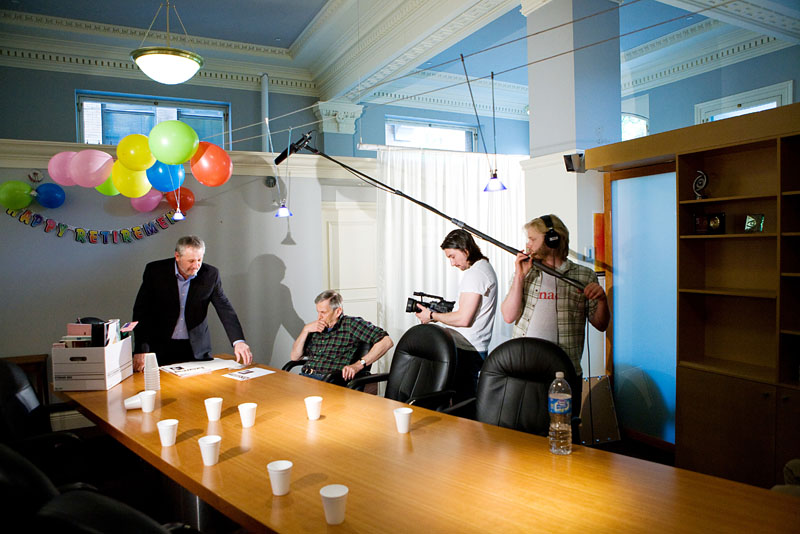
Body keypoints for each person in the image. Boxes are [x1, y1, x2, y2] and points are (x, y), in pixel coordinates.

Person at [501, 214, 609, 414]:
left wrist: (602, 300)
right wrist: (519, 276)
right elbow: (508, 316)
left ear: (553, 239)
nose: (527, 244)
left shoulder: (583, 275)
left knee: (563, 426)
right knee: (522, 429)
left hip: (564, 371)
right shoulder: (526, 272)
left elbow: (600, 324)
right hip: (524, 367)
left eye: (532, 239)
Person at [132, 235, 253, 371]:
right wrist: (140, 349)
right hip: (161, 347)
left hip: (196, 349)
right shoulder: (155, 271)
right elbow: (141, 311)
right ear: (177, 256)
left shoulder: (210, 274)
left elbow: (225, 308)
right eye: (191, 261)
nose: (196, 266)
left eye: (199, 260)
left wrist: (238, 341)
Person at [415, 229, 498, 401]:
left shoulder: (476, 274)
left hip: (468, 350)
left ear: (465, 250)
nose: (452, 263)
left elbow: (463, 318)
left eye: (452, 256)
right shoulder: (482, 268)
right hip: (472, 348)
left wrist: (431, 315)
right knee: (463, 401)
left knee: (463, 405)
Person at [290, 290, 393, 382]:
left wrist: (358, 365)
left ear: (338, 311)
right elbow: (295, 357)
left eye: (323, 312)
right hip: (305, 377)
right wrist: (305, 330)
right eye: (318, 312)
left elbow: (386, 342)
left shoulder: (350, 324)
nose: (319, 317)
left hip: (328, 380)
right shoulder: (315, 327)